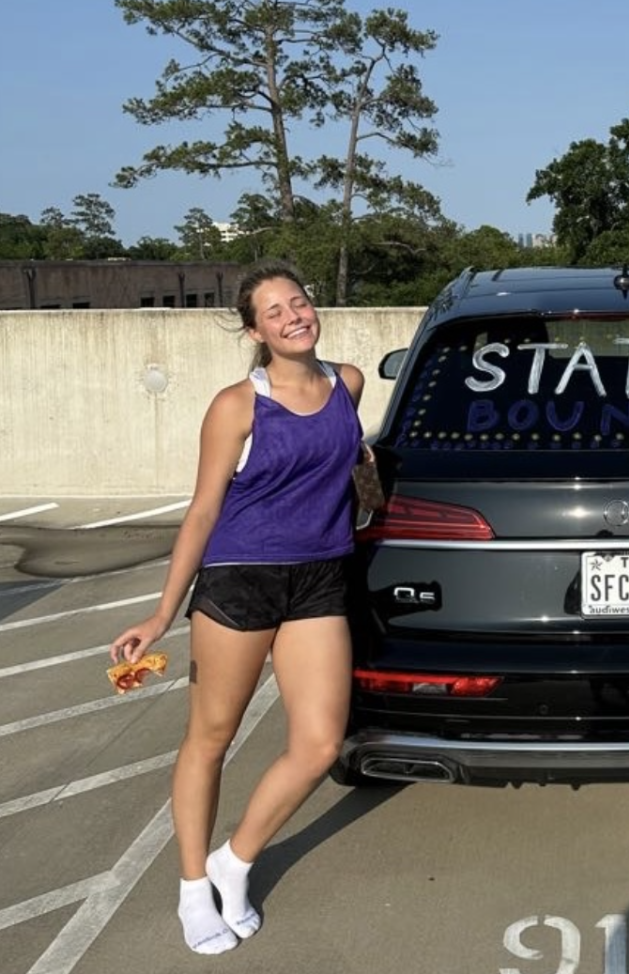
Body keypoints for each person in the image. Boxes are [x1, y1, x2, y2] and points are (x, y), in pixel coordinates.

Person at [109, 264, 366, 955]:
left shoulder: (348, 383)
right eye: (274, 310)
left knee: (317, 743)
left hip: (319, 577)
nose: (293, 315)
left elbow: (348, 471)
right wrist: (162, 613)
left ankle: (236, 859)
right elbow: (202, 510)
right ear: (255, 330)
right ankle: (194, 885)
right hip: (238, 578)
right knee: (211, 737)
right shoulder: (237, 405)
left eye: (300, 301)